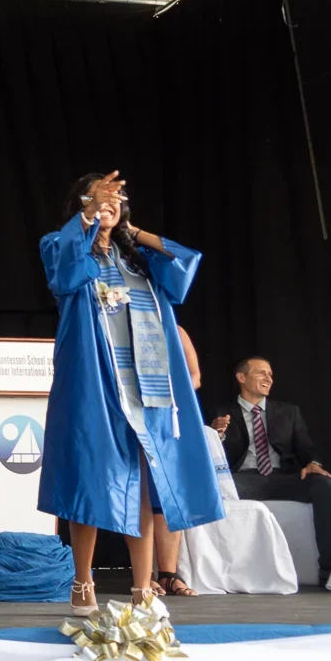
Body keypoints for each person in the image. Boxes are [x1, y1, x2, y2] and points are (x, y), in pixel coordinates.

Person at [38, 171, 220, 614]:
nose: (111, 202)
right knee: (91, 475)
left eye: (118, 197)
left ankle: (143, 585)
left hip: (146, 383)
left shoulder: (137, 260)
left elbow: (184, 261)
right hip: (96, 380)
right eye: (101, 195)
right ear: (81, 203)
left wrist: (130, 231)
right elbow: (63, 276)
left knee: (140, 479)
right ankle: (82, 582)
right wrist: (89, 218)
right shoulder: (62, 244)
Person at [211, 356, 331, 578]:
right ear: (241, 378)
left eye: (270, 374)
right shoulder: (222, 413)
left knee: (324, 484)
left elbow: (307, 448)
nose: (268, 378)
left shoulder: (288, 411)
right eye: (261, 372)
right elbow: (212, 456)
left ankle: (330, 569)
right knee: (214, 487)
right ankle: (220, 572)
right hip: (243, 479)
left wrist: (313, 463)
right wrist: (216, 435)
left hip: (283, 477)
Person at [152, 326, 203, 597]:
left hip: (170, 416)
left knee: (167, 496)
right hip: (136, 411)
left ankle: (168, 575)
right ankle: (143, 575)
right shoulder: (120, 320)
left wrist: (173, 390)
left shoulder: (175, 328)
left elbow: (195, 377)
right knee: (141, 495)